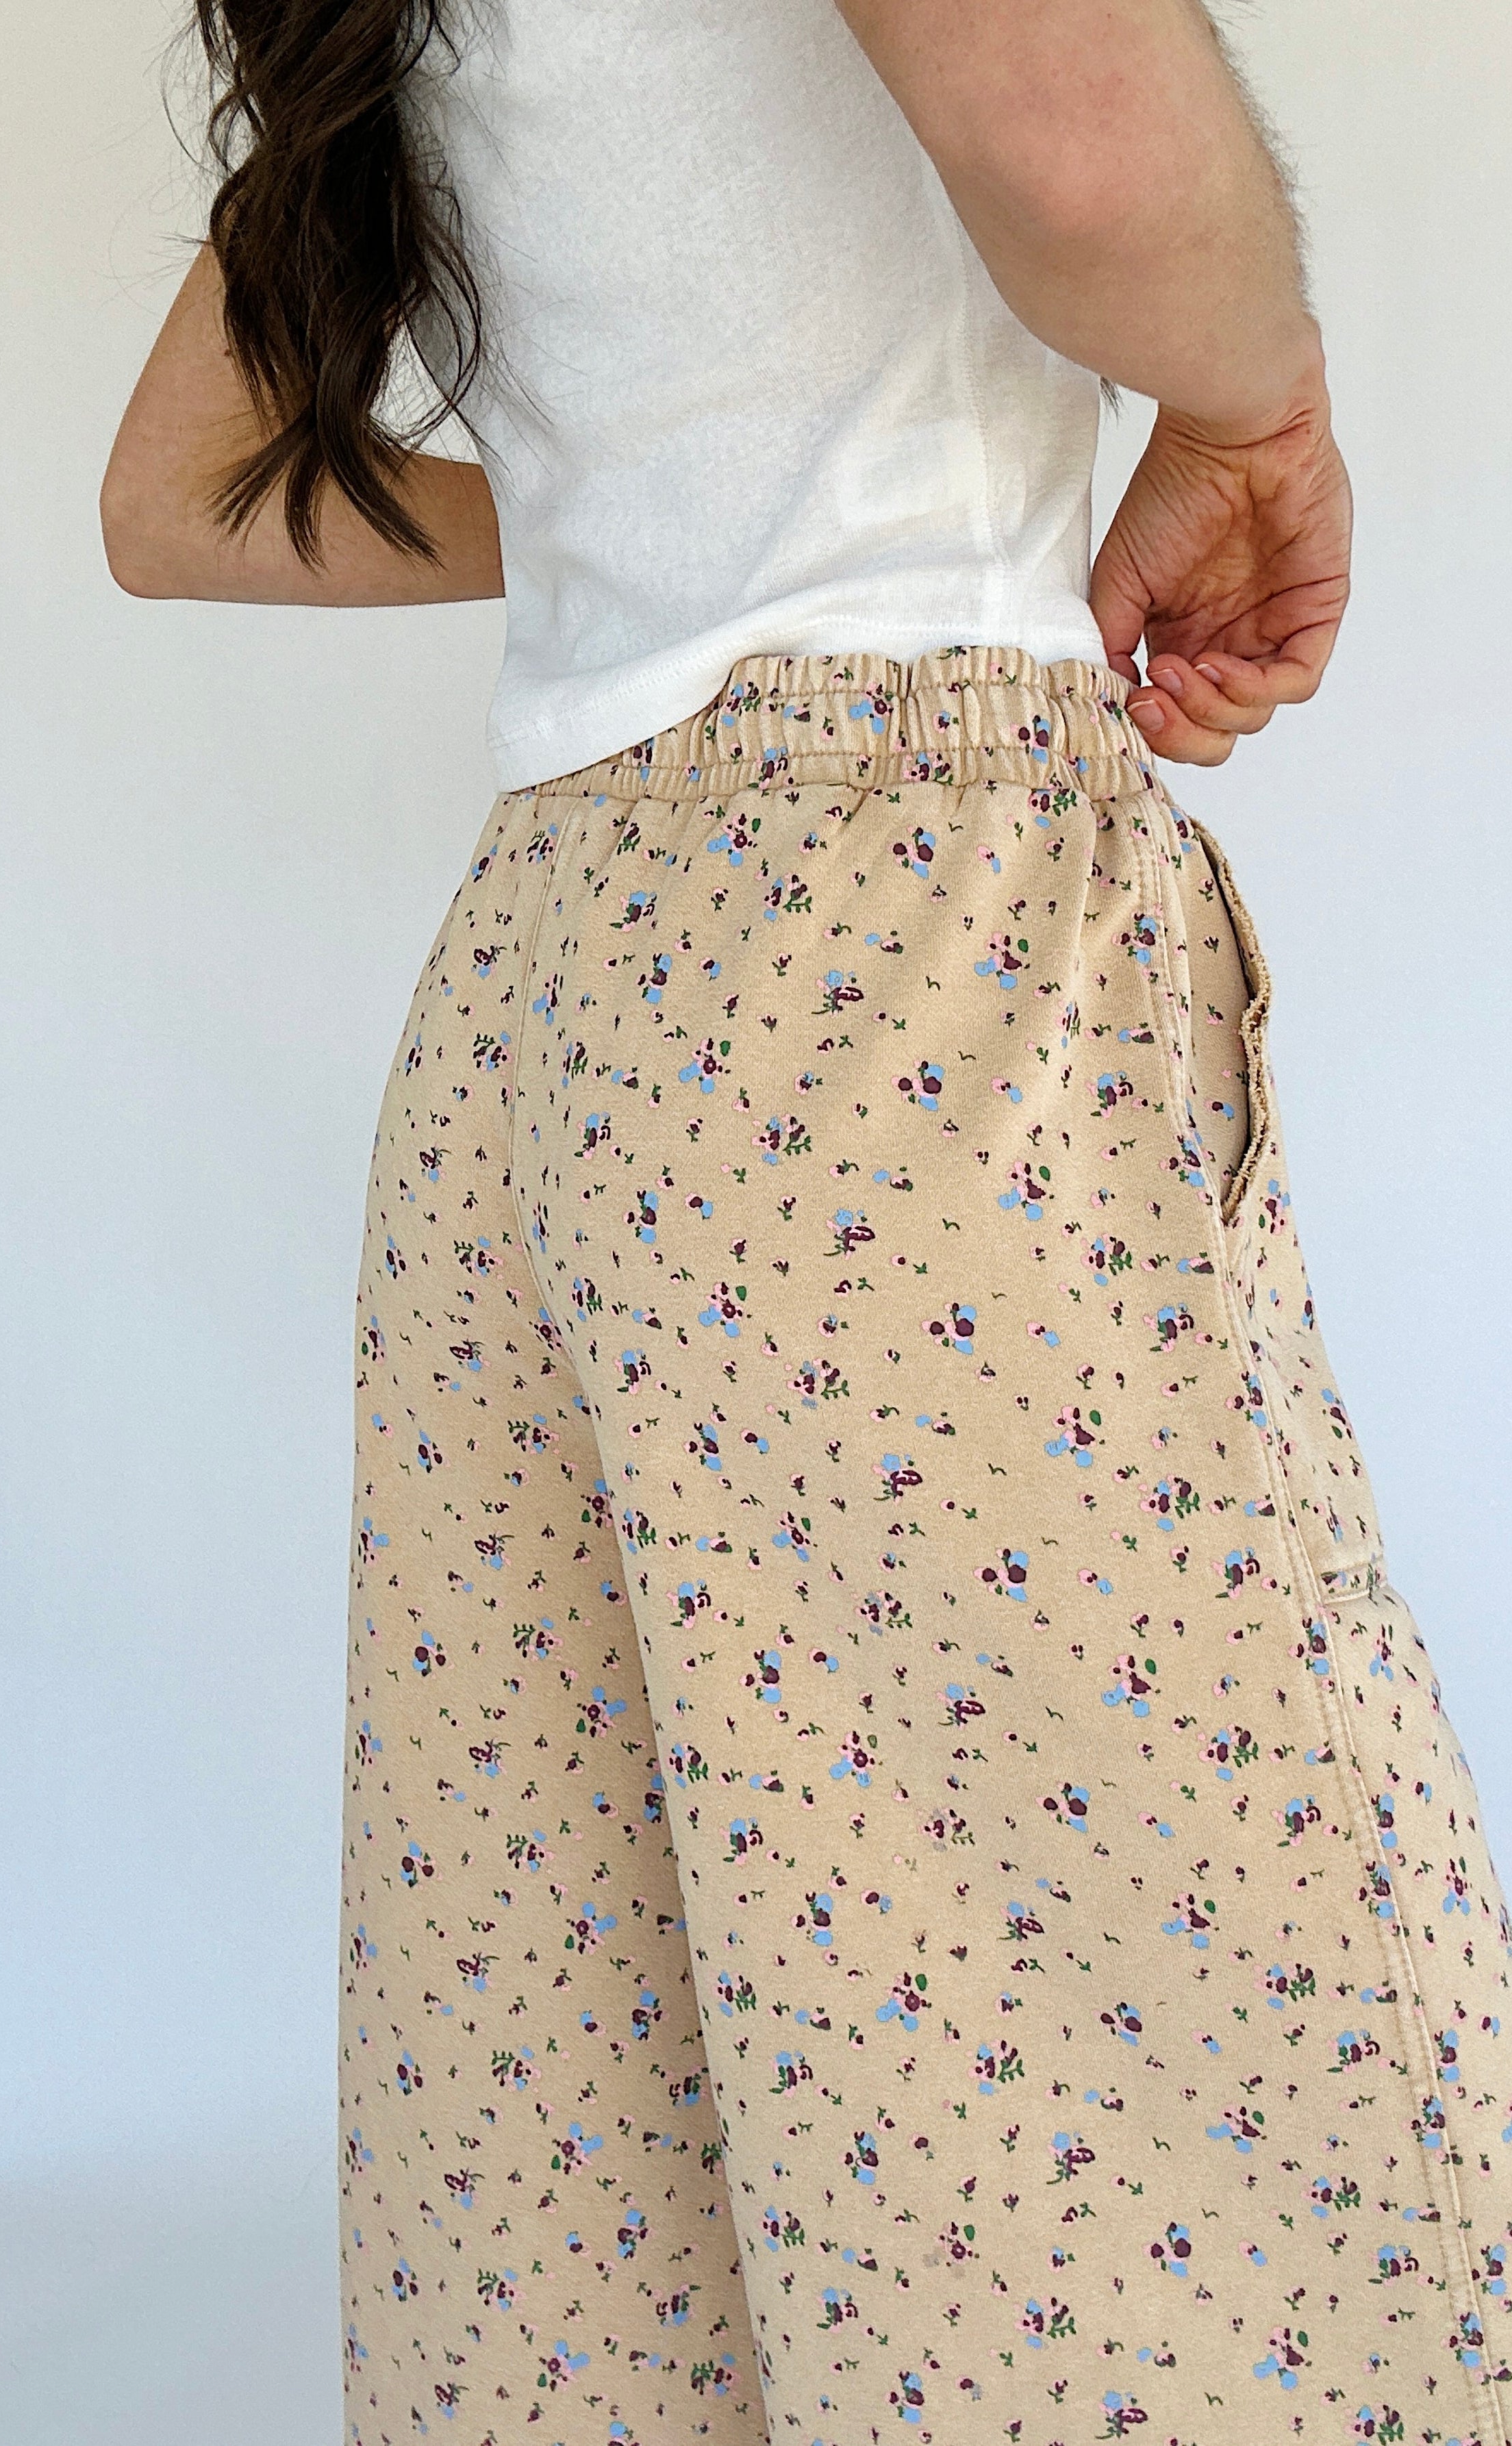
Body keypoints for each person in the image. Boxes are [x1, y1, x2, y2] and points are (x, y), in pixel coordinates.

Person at [101, 4, 1512, 2440]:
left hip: (550, 1005)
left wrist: (667, 467)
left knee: (585, 2099)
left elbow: (172, 494)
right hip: (894, 938)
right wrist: (1255, 413)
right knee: (1178, 2045)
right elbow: (1076, 131)